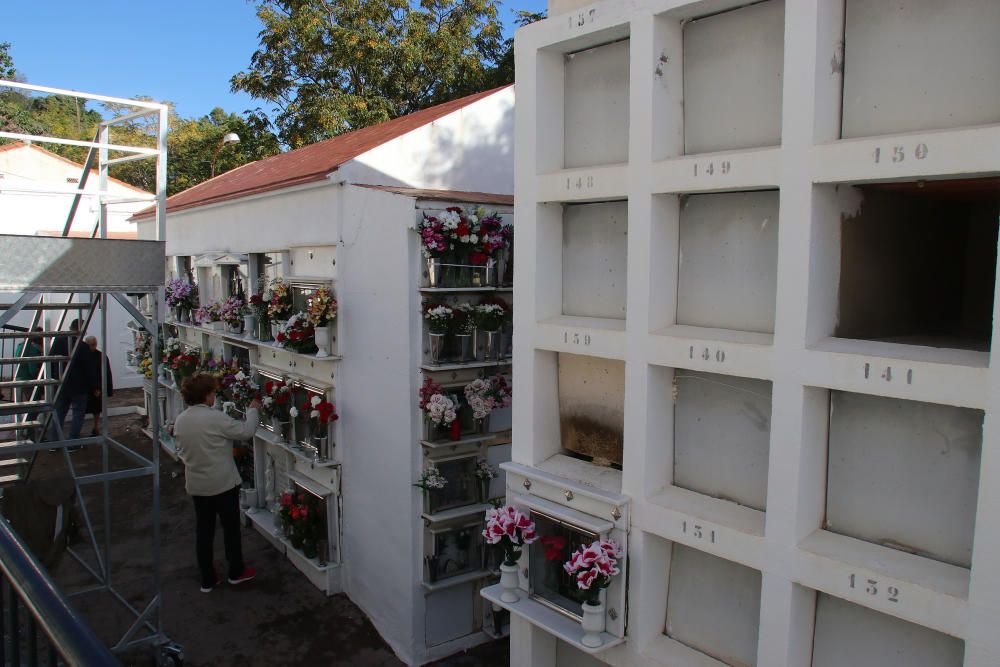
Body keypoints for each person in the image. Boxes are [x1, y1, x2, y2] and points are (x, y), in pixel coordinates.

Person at [173, 373, 260, 593]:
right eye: (212, 392)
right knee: (230, 529)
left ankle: (208, 578)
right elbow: (246, 431)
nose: (214, 396)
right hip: (222, 484)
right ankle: (236, 572)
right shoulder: (214, 418)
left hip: (197, 484)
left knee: (204, 531)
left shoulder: (181, 419)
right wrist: (252, 409)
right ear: (206, 395)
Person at [50, 322, 98, 444]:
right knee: (78, 413)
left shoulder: (58, 342)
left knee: (59, 413)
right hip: (78, 386)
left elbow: (50, 362)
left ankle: (55, 442)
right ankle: (73, 442)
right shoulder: (82, 346)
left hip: (60, 383)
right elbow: (89, 368)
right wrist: (94, 386)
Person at [84, 336, 113, 437]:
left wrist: (105, 389)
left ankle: (95, 427)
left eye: (94, 344)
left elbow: (106, 373)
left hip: (97, 388)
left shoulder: (100, 356)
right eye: (91, 345)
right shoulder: (82, 355)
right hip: (85, 387)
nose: (93, 347)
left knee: (96, 409)